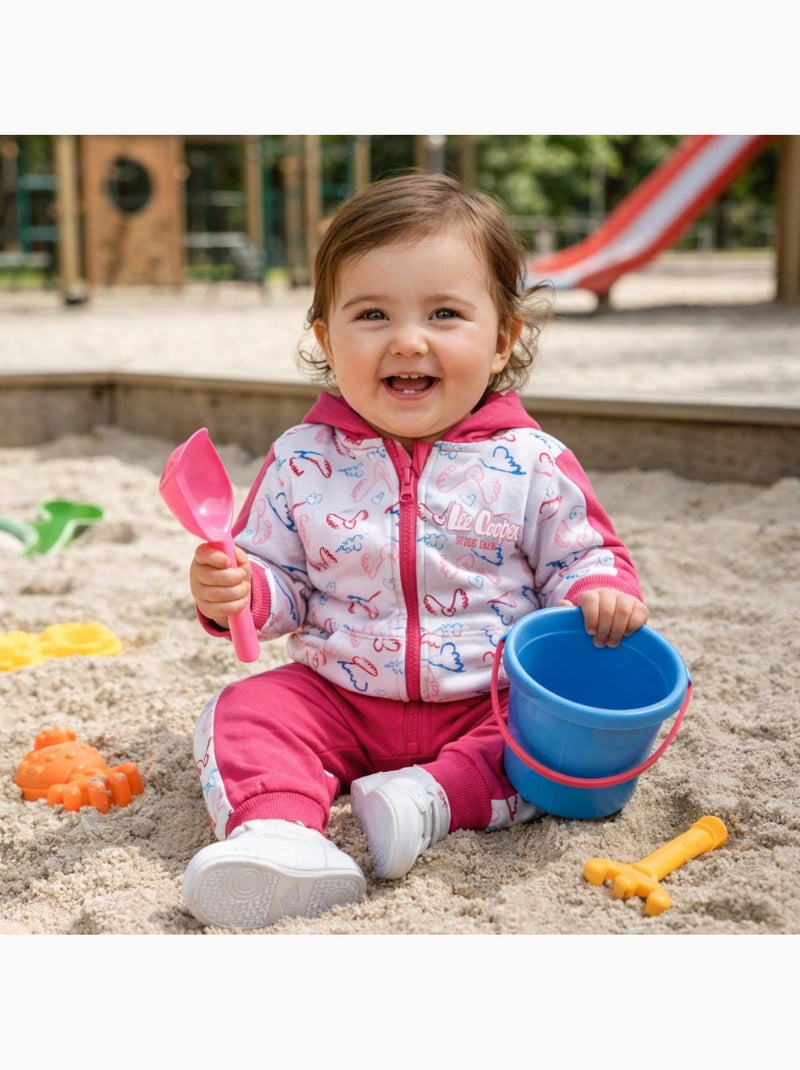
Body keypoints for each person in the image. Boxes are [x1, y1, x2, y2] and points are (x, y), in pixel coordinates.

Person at [180, 171, 649, 930]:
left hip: (485, 698)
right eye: (371, 313)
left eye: (444, 313)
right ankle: (280, 834)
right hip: (337, 694)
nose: (407, 339)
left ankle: (426, 800)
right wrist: (237, 591)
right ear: (328, 340)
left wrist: (599, 592)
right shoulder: (302, 459)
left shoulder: (531, 461)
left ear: (502, 340)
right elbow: (278, 580)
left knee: (548, 750)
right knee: (247, 710)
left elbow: (584, 555)